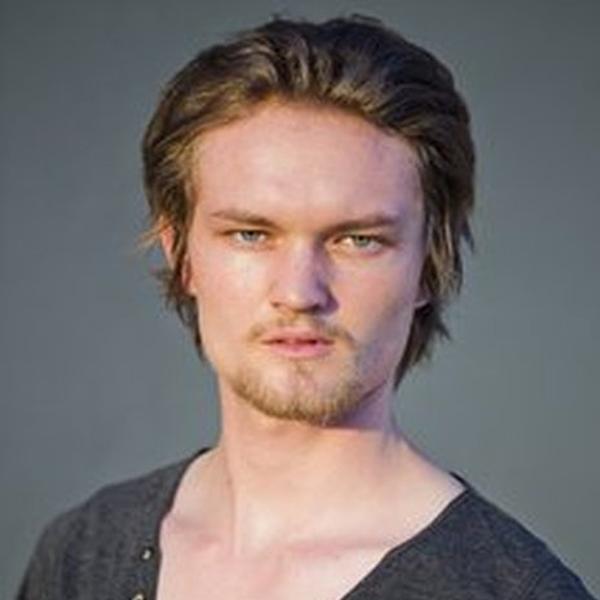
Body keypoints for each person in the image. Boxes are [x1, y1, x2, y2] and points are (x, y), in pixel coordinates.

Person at [17, 15, 595, 600]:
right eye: (250, 234)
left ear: (428, 265)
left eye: (358, 240)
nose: (299, 292)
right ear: (181, 254)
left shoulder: (514, 590)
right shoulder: (83, 553)